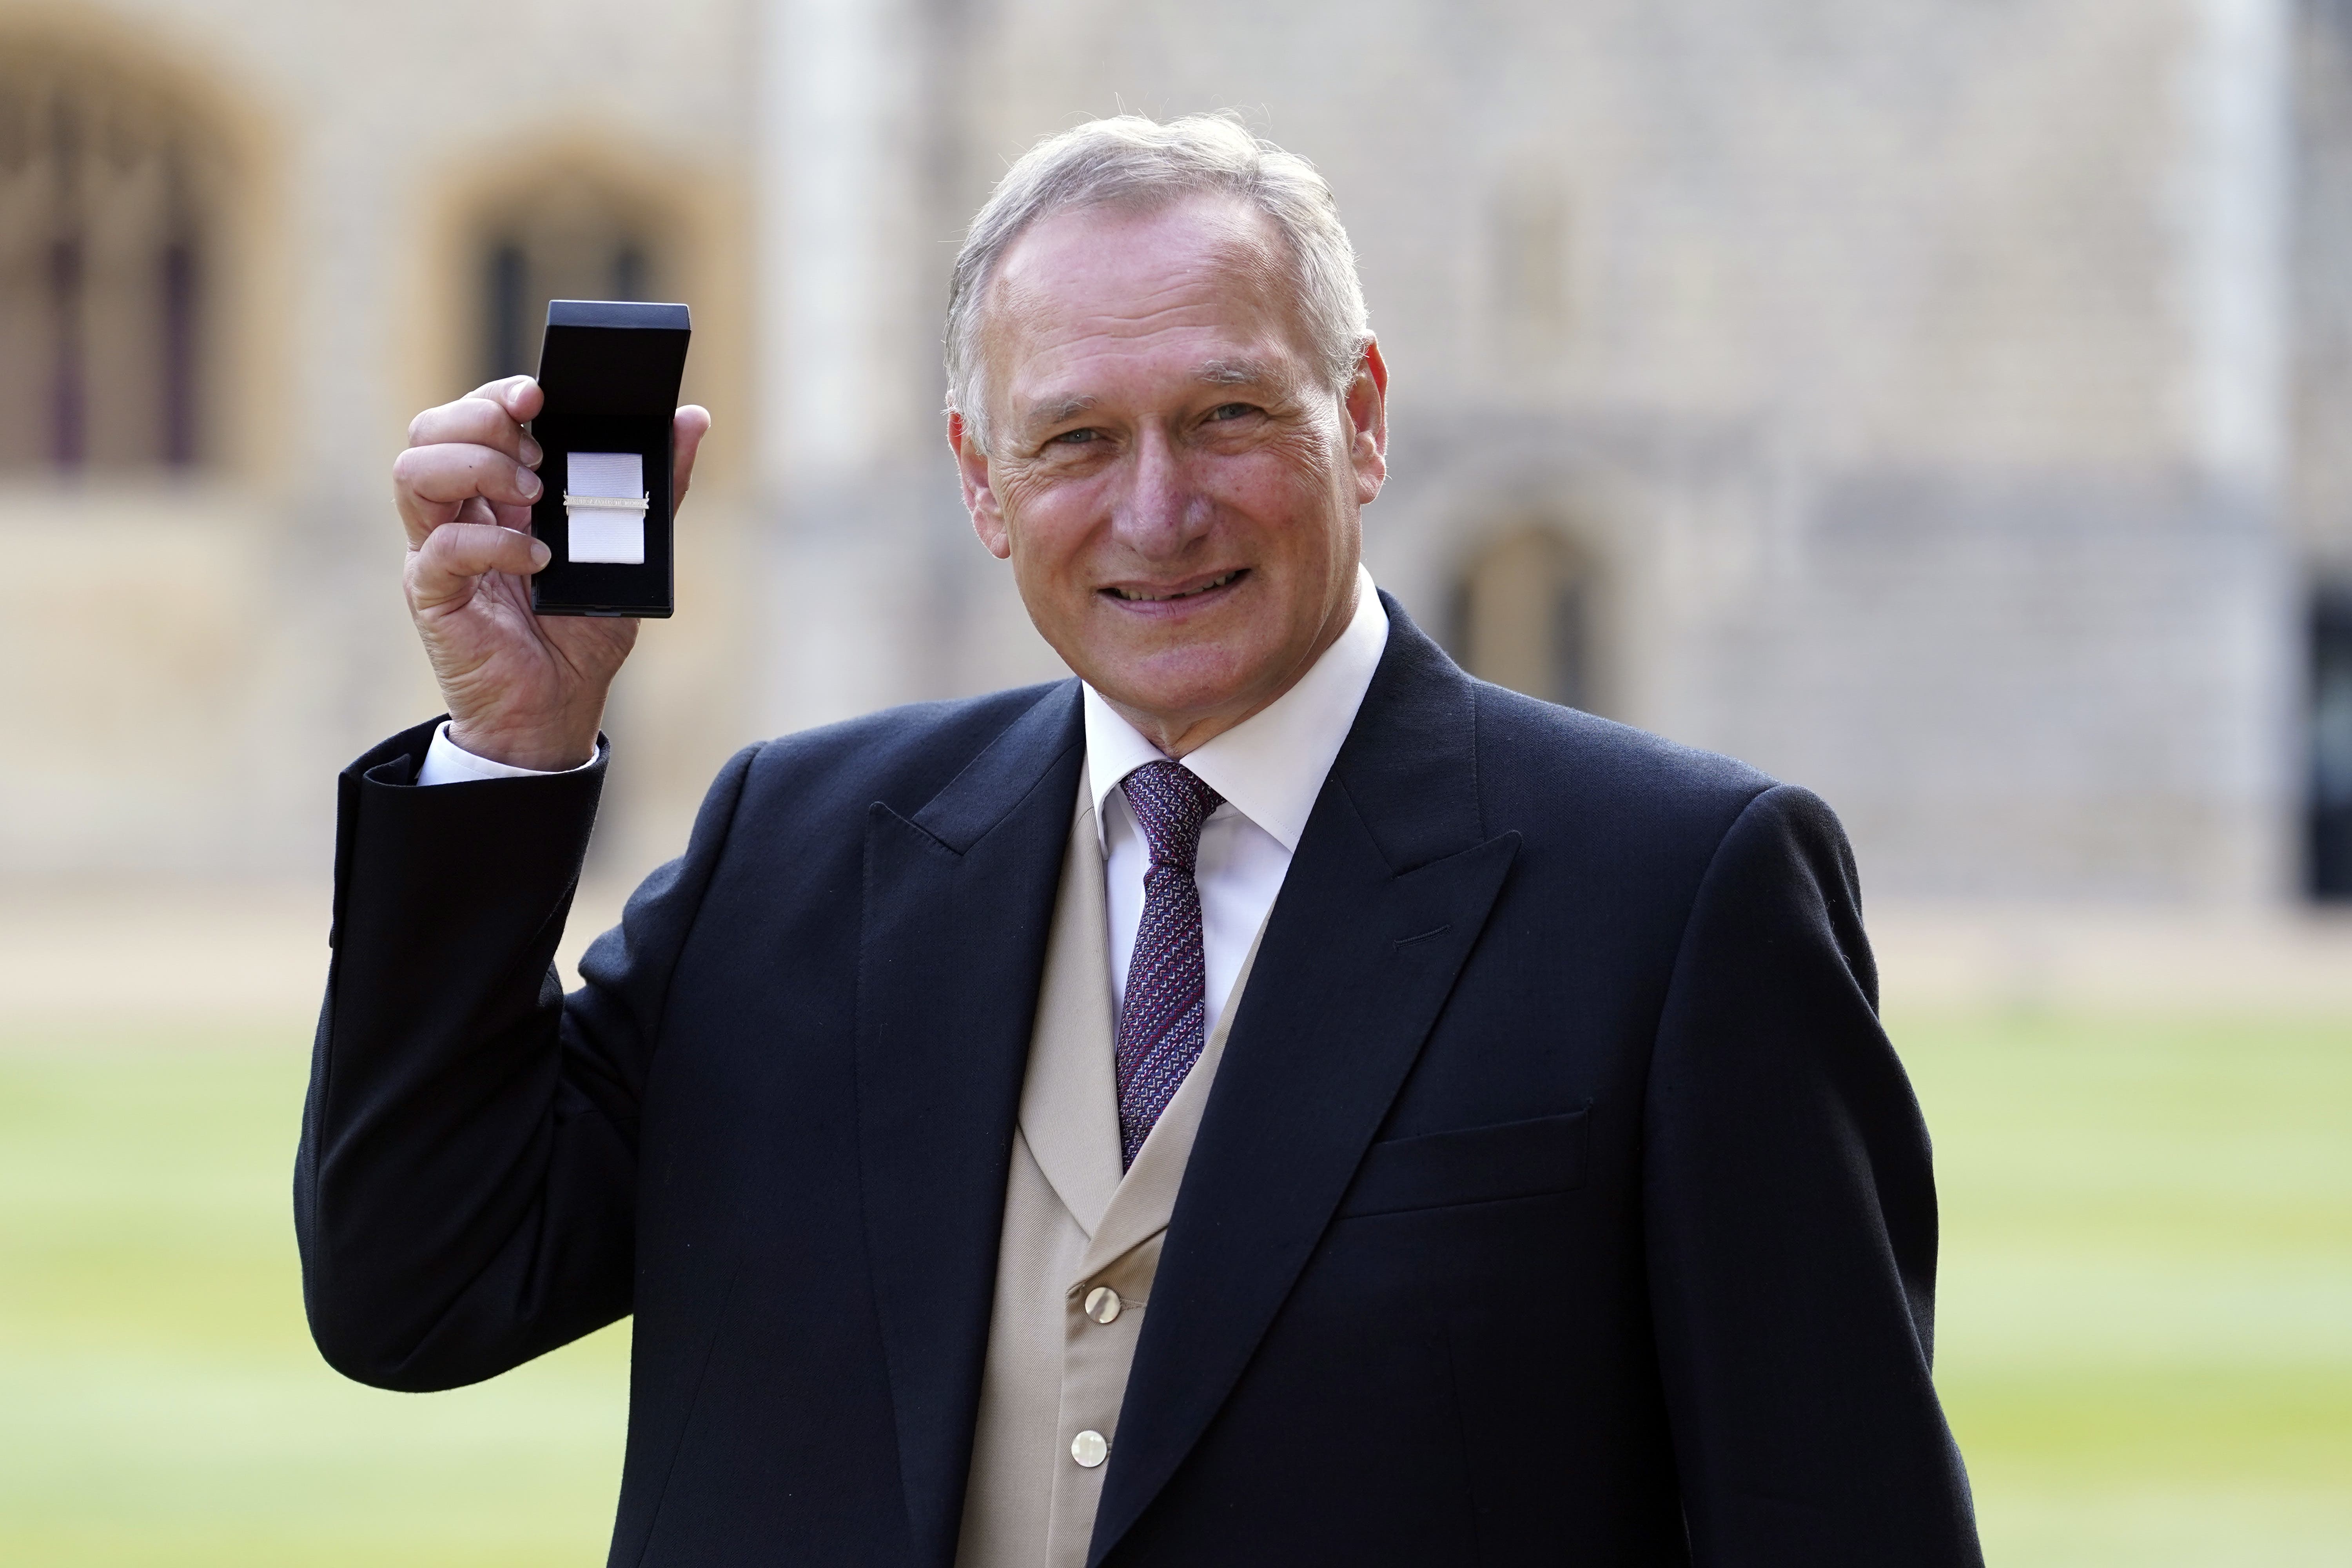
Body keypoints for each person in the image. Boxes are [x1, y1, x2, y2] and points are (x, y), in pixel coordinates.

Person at [298, 114, 1982, 1567]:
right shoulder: (796, 850)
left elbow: (1839, 1519)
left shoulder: (1681, 892)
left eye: (1231, 416)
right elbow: (418, 1289)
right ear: (983, 481)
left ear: (1364, 418)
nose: (1158, 510)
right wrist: (516, 752)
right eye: (1079, 439)